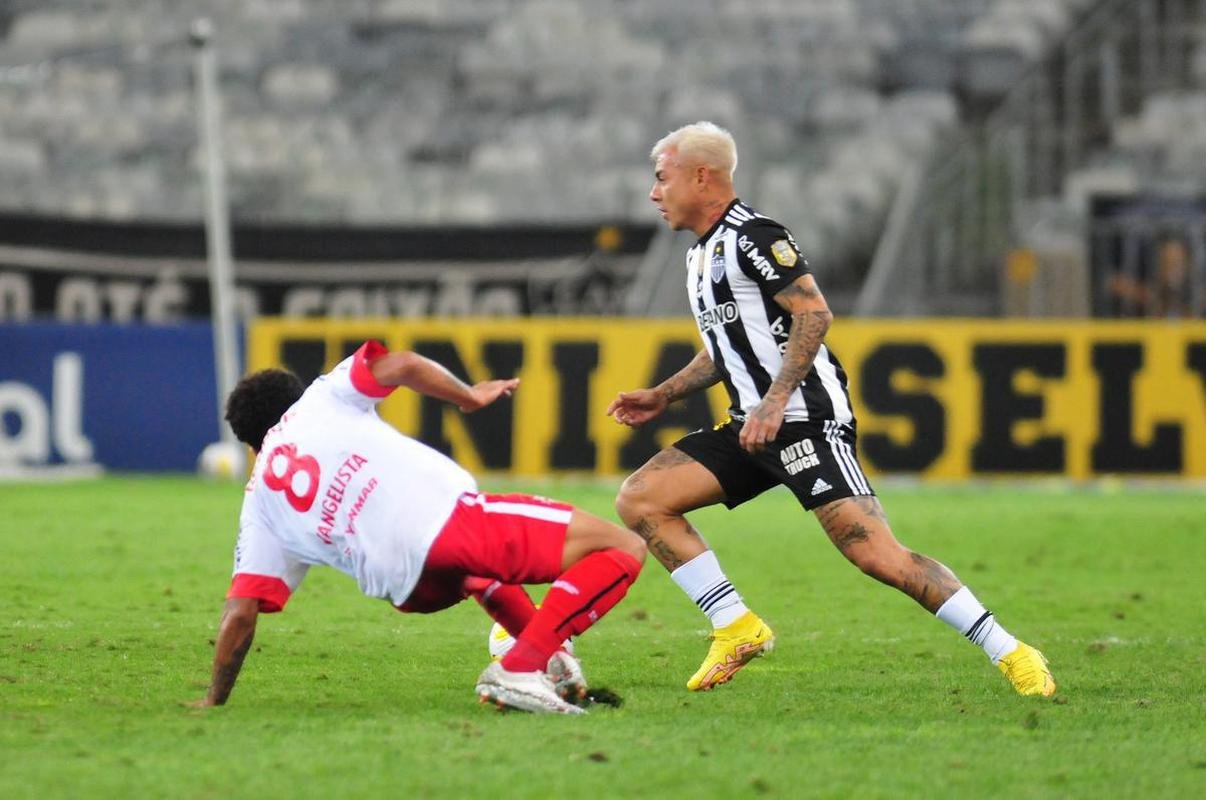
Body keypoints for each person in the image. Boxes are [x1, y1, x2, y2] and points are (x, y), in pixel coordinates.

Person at [607, 121, 1055, 696]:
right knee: (642, 498)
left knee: (877, 556)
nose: (654, 193)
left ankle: (1011, 651)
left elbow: (813, 313)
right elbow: (730, 345)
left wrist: (775, 402)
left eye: (662, 178)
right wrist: (664, 394)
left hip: (805, 422)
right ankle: (735, 626)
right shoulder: (700, 253)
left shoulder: (754, 235)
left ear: (701, 177)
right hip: (751, 427)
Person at [193, 340, 645, 715]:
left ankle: (552, 660)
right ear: (293, 397)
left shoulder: (259, 503)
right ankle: (520, 666)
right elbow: (405, 365)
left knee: (477, 572)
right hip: (445, 525)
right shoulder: (319, 399)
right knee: (622, 547)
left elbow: (240, 613)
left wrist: (214, 699)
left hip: (408, 589)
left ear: (252, 445)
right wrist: (470, 396)